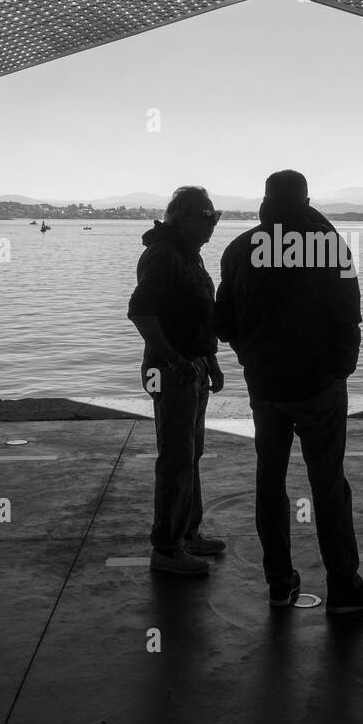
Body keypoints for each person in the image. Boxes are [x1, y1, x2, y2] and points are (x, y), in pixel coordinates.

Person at [215, 170, 363, 614]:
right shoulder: (328, 245)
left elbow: (225, 324)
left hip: (264, 387)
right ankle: (343, 585)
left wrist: (249, 359)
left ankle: (278, 583)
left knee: (269, 482)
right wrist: (340, 371)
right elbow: (349, 316)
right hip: (319, 385)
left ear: (265, 200)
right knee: (329, 484)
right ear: (307, 198)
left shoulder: (239, 249)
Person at [127, 186, 227, 576]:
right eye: (206, 218)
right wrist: (175, 359)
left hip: (194, 366)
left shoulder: (188, 255)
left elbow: (198, 315)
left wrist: (211, 361)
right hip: (171, 372)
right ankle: (167, 548)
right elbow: (141, 312)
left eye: (214, 219)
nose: (212, 226)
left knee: (191, 455)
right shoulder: (162, 256)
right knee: (175, 459)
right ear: (182, 216)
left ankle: (188, 533)